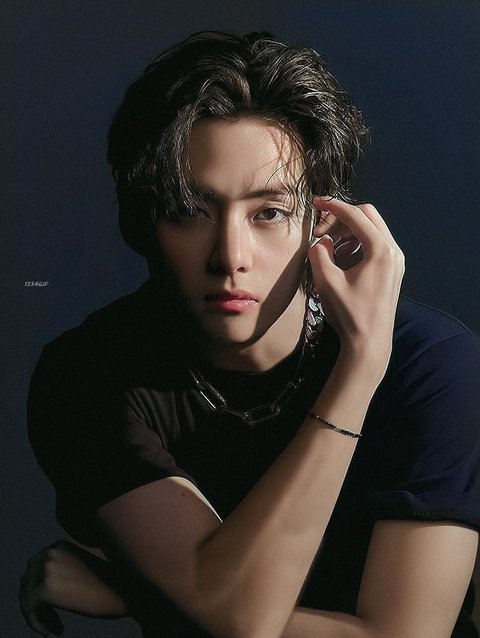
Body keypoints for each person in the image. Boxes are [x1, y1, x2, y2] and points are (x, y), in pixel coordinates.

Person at [19, 31, 480, 638]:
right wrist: (358, 373)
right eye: (190, 211)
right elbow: (238, 617)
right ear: (143, 221)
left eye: (268, 213)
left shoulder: (433, 365)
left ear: (322, 223)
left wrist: (140, 595)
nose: (230, 257)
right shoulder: (89, 377)